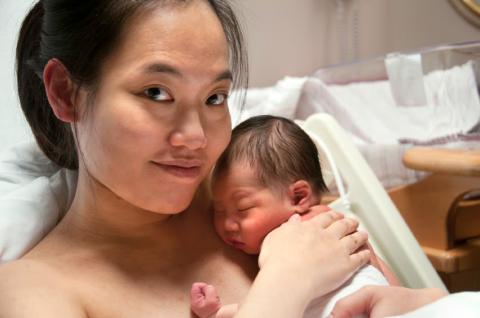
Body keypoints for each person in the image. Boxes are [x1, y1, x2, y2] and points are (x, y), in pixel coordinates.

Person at [0, 1, 371, 317]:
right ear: (65, 93)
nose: (197, 138)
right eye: (157, 93)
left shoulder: (257, 200)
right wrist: (286, 285)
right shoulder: (33, 291)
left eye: (214, 97)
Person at [189, 115, 390, 318]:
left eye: (243, 208)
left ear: (298, 197)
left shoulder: (292, 235)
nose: (227, 224)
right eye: (219, 210)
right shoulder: (338, 225)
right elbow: (385, 283)